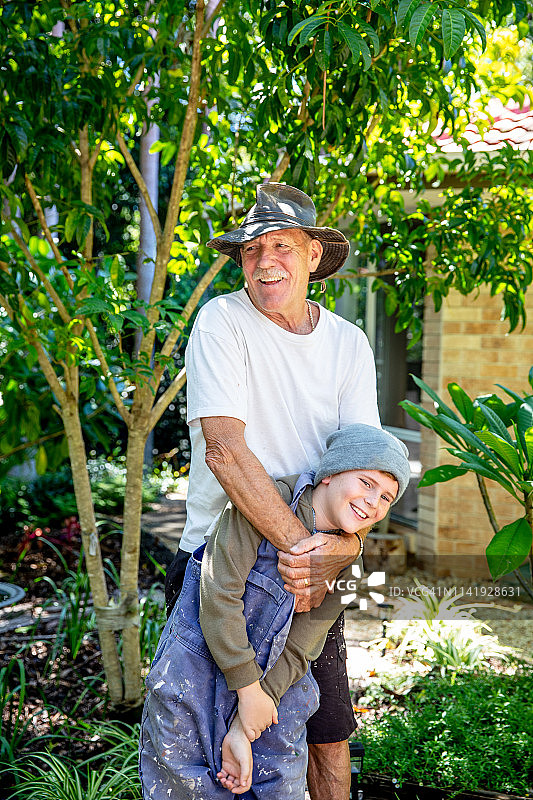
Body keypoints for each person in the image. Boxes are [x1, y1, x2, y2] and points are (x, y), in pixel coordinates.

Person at [165, 183, 381, 800]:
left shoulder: (348, 344)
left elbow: (362, 464)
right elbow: (225, 450)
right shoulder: (221, 320)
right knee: (200, 750)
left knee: (328, 737)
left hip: (308, 567)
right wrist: (307, 553)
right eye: (253, 248)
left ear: (314, 255)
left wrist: (346, 546)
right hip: (224, 565)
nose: (266, 261)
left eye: (283, 245)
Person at [141, 424, 410, 799]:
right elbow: (218, 594)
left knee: (278, 788)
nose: (373, 501)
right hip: (194, 676)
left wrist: (250, 716)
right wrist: (247, 691)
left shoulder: (349, 566)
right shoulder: (264, 503)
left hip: (274, 694)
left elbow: (303, 645)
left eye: (386, 498)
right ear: (330, 474)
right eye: (366, 483)